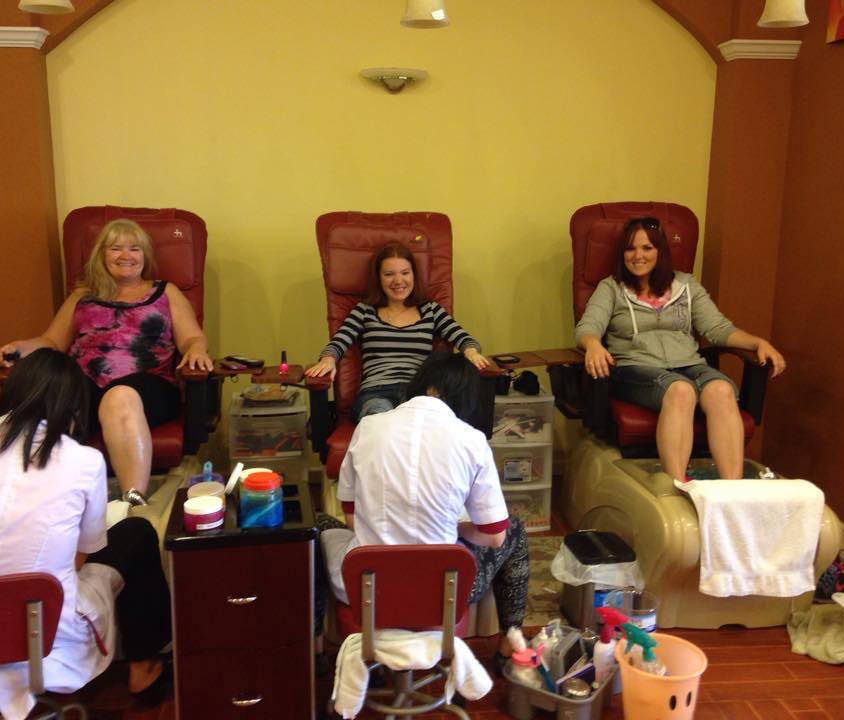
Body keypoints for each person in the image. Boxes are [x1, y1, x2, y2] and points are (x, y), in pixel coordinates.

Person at [0, 349, 172, 720]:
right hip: (41, 640)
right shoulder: (84, 461)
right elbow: (83, 554)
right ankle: (144, 668)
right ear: (74, 409)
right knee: (137, 532)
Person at [317, 352, 529, 659]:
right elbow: (495, 536)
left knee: (313, 527)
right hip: (444, 593)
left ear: (425, 385)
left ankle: (315, 646)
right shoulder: (472, 440)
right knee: (515, 530)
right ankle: (511, 644)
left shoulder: (369, 427)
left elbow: (351, 518)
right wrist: (459, 529)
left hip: (365, 588)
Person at [0, 218, 213, 504]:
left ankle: (133, 501)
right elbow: (52, 342)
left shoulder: (165, 292)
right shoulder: (82, 296)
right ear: (102, 255)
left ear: (145, 256)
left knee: (119, 396)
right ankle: (45, 498)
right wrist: (21, 347)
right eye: (115, 248)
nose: (125, 255)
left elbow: (192, 338)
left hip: (150, 386)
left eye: (134, 248)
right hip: (87, 385)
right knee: (57, 392)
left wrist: (196, 349)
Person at [575, 216, 786, 481]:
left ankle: (731, 488)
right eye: (630, 248)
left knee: (721, 390)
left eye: (647, 248)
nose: (638, 256)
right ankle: (678, 485)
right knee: (680, 391)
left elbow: (717, 328)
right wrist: (593, 344)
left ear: (660, 251)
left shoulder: (686, 286)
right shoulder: (611, 288)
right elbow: (587, 327)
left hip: (689, 364)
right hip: (636, 368)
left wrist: (758, 342)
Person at [305, 241, 491, 421]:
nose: (398, 281)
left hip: (418, 394)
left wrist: (471, 351)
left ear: (413, 275)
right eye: (389, 274)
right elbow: (339, 341)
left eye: (405, 273)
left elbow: (463, 338)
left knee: (419, 424)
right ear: (379, 278)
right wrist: (328, 358)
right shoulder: (365, 310)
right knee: (380, 419)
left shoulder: (430, 310)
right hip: (376, 393)